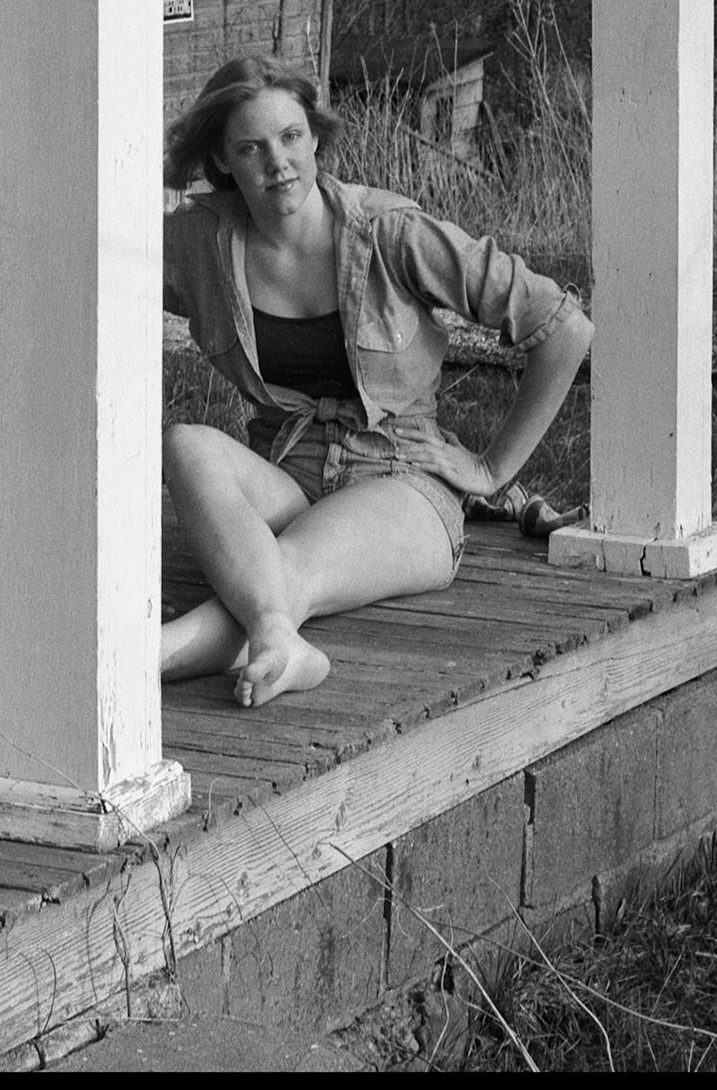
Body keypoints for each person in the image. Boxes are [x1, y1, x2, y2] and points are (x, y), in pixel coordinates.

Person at [159, 56, 593, 709]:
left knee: (286, 571)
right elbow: (96, 271)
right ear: (223, 160)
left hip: (402, 483)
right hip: (288, 470)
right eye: (250, 147)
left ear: (315, 136)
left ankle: (151, 654)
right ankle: (278, 638)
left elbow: (563, 327)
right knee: (187, 442)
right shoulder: (200, 241)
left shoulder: (389, 230)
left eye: (291, 137)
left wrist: (493, 466)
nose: (277, 161)